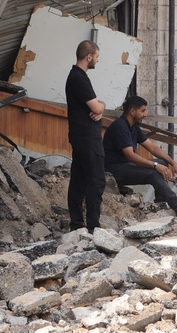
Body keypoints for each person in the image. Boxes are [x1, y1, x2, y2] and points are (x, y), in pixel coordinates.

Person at [103, 96, 177, 218]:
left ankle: (161, 203)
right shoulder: (120, 126)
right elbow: (131, 156)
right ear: (132, 111)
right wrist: (155, 166)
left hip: (125, 166)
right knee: (154, 173)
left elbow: (153, 148)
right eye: (143, 110)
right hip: (114, 170)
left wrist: (172, 162)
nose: (145, 114)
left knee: (162, 162)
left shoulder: (133, 126)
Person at [65, 40, 106, 233]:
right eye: (96, 57)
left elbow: (96, 106)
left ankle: (77, 224)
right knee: (95, 179)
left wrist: (99, 107)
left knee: (79, 179)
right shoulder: (79, 78)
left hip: (80, 136)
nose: (97, 60)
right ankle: (93, 225)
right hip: (88, 138)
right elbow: (96, 106)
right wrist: (101, 107)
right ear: (89, 57)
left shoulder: (76, 76)